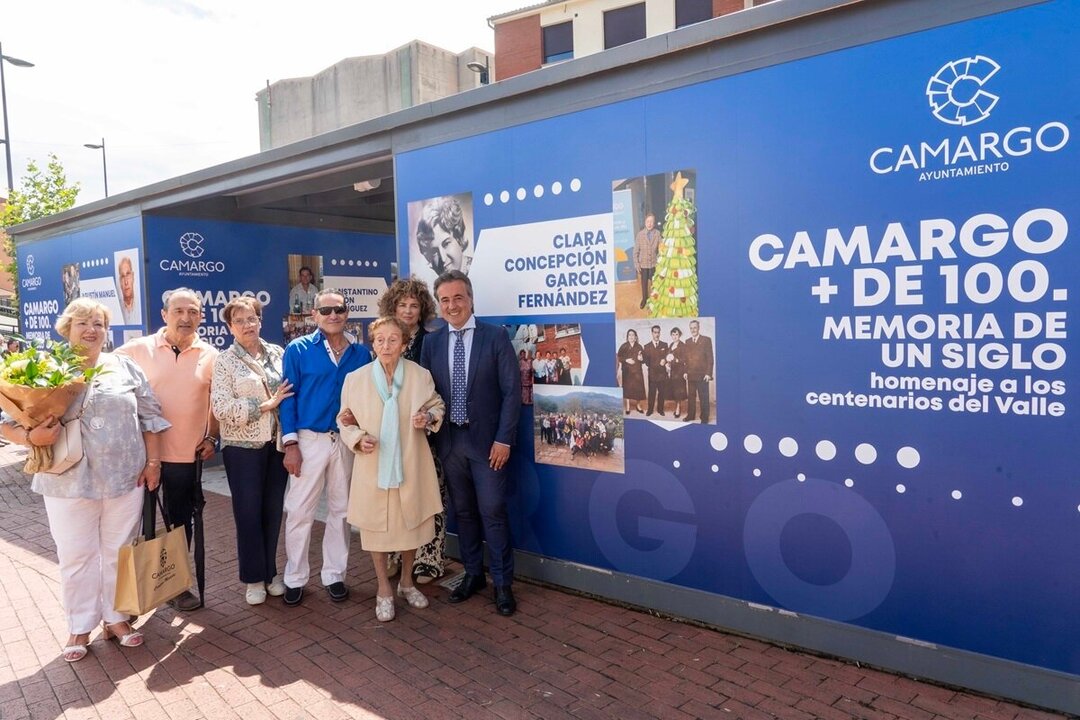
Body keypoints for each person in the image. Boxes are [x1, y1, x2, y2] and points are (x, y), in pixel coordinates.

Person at [0, 299, 170, 662]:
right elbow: (7, 421)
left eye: (98, 323)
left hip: (125, 476)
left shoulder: (124, 365)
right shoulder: (45, 368)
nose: (91, 330)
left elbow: (150, 415)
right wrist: (31, 438)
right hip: (67, 479)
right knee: (76, 554)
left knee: (119, 550)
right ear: (67, 329)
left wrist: (153, 462)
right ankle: (79, 625)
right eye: (82, 323)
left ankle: (116, 618)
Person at [420, 270, 521, 616]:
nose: (452, 306)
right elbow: (426, 395)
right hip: (450, 443)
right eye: (445, 300)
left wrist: (503, 440)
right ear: (439, 304)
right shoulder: (432, 343)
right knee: (463, 514)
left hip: (488, 445)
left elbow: (511, 393)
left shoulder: (495, 337)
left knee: (492, 511)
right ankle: (474, 574)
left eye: (458, 298)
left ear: (471, 299)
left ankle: (503, 584)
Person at [116, 287, 219, 612]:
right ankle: (125, 600)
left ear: (201, 317)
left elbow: (215, 403)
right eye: (179, 311)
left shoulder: (211, 355)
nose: (186, 318)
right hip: (140, 457)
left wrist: (212, 437)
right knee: (129, 526)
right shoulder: (135, 350)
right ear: (164, 315)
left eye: (193, 312)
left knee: (179, 524)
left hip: (186, 458)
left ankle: (175, 586)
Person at [338, 317, 445, 622]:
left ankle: (407, 582)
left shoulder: (419, 376)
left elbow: (437, 405)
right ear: (372, 344)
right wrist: (358, 438)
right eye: (380, 340)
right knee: (377, 528)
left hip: (410, 463)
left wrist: (428, 417)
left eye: (393, 339)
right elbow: (344, 420)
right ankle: (384, 588)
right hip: (374, 466)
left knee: (411, 525)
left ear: (404, 344)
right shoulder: (355, 379)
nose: (386, 345)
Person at [278, 289, 373, 606]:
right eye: (326, 310)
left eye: (339, 309)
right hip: (309, 440)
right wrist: (291, 443)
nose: (333, 315)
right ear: (314, 315)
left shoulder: (361, 354)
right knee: (299, 510)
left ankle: (335, 575)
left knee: (341, 510)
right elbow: (287, 399)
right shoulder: (298, 349)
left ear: (347, 313)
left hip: (344, 440)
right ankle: (295, 577)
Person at [210, 297, 294, 606]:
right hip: (242, 450)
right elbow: (221, 408)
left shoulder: (278, 353)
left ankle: (270, 573)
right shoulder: (224, 361)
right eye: (239, 321)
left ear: (260, 321)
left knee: (272, 510)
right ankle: (253, 578)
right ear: (230, 327)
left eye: (252, 318)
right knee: (248, 514)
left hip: (276, 446)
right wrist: (264, 405)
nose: (247, 325)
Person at [377, 277, 446, 584]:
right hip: (390, 435)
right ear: (392, 307)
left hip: (425, 431)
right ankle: (395, 553)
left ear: (423, 309)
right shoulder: (383, 339)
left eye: (414, 305)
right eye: (402, 304)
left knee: (430, 493)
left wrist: (428, 416)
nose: (407, 310)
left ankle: (428, 559)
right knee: (395, 495)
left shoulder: (433, 341)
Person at [415, 196, 473, 276]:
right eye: (434, 252)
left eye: (446, 244)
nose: (443, 259)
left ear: (459, 238)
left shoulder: (480, 269)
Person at [684, 320, 715, 423]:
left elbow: (710, 358)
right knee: (691, 397)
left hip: (702, 375)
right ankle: (691, 415)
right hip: (691, 374)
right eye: (691, 328)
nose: (693, 330)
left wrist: (708, 373)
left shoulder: (706, 340)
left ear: (699, 328)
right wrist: (685, 372)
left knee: (704, 397)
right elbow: (686, 359)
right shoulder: (687, 341)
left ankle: (704, 417)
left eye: (695, 327)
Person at [633, 213, 661, 309]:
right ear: (645, 222)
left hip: (654, 263)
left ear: (654, 223)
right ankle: (644, 299)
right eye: (648, 221)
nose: (649, 224)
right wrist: (637, 264)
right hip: (643, 264)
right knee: (644, 283)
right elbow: (635, 251)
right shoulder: (640, 235)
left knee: (655, 283)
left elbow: (661, 248)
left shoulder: (657, 233)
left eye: (651, 222)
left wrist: (660, 260)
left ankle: (654, 298)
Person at [641, 325, 669, 417]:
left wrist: (665, 360)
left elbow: (668, 356)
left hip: (662, 374)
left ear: (660, 333)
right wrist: (642, 358)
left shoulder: (664, 345)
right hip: (652, 373)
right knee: (651, 393)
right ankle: (650, 410)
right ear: (652, 333)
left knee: (662, 393)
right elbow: (646, 361)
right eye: (655, 332)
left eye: (658, 332)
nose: (657, 334)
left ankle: (660, 410)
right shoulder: (647, 346)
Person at [617, 329, 646, 415]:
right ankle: (628, 406)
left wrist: (641, 359)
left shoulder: (639, 347)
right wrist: (626, 360)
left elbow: (643, 360)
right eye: (629, 335)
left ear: (636, 337)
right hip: (627, 371)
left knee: (638, 388)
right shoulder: (624, 346)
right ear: (627, 337)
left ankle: (638, 405)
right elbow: (619, 357)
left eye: (633, 335)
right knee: (627, 388)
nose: (631, 337)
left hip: (637, 371)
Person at [666, 327, 689, 419]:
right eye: (673, 334)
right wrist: (668, 363)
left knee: (678, 390)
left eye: (676, 334)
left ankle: (678, 408)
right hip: (672, 371)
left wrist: (676, 360)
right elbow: (667, 356)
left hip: (679, 371)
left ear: (679, 335)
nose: (675, 336)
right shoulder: (671, 344)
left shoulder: (683, 345)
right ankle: (676, 406)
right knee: (674, 390)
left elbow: (685, 359)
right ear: (671, 335)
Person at [117, 256, 140, 325]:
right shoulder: (117, 307)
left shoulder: (140, 305)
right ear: (120, 281)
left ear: (133, 276)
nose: (126, 282)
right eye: (122, 276)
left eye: (128, 274)